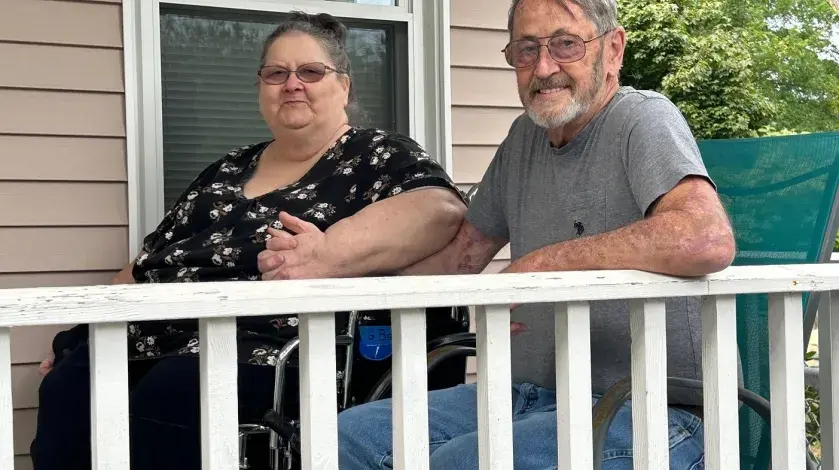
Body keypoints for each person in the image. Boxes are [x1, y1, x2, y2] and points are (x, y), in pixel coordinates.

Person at [30, 11, 466, 470]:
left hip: (271, 347)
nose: (292, 84)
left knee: (176, 389)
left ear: (344, 87)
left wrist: (327, 253)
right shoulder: (226, 169)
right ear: (261, 88)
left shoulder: (375, 155)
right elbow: (146, 265)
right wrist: (84, 327)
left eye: (311, 72)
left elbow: (439, 210)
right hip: (158, 334)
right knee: (70, 384)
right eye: (276, 73)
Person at [336, 0, 736, 468]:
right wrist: (331, 263)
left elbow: (704, 237)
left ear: (613, 50)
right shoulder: (523, 138)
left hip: (654, 408)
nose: (544, 68)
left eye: (565, 44)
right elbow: (460, 257)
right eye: (526, 50)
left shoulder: (642, 118)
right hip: (527, 396)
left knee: (463, 462)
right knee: (346, 438)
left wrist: (543, 264)